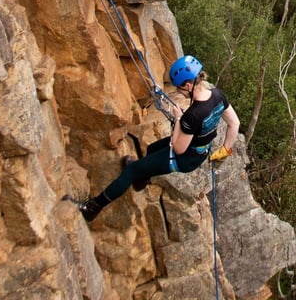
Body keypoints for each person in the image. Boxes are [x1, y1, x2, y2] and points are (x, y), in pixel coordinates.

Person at [79, 55, 240, 223]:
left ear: (188, 85)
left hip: (185, 158)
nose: (178, 91)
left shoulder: (192, 116)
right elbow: (234, 123)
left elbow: (178, 149)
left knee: (130, 171)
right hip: (199, 149)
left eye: (180, 88)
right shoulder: (217, 95)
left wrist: (179, 119)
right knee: (152, 149)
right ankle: (143, 178)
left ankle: (93, 208)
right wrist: (225, 149)